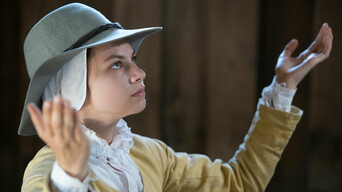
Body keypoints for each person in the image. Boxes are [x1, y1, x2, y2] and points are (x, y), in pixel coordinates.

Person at [19, 3, 333, 192]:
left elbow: (238, 183)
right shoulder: (45, 172)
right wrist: (69, 177)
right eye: (117, 63)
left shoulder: (150, 155)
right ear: (70, 86)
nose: (139, 73)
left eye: (133, 59)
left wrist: (283, 86)